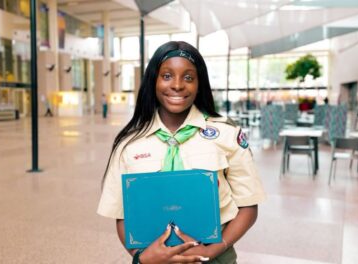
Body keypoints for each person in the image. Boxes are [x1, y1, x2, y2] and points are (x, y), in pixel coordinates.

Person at [97, 41, 266, 263]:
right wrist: (141, 257)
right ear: (153, 81)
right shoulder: (129, 144)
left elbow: (248, 205)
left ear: (199, 83)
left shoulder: (226, 133)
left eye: (188, 77)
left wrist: (213, 250)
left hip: (215, 257)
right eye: (167, 76)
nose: (177, 85)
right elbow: (122, 215)